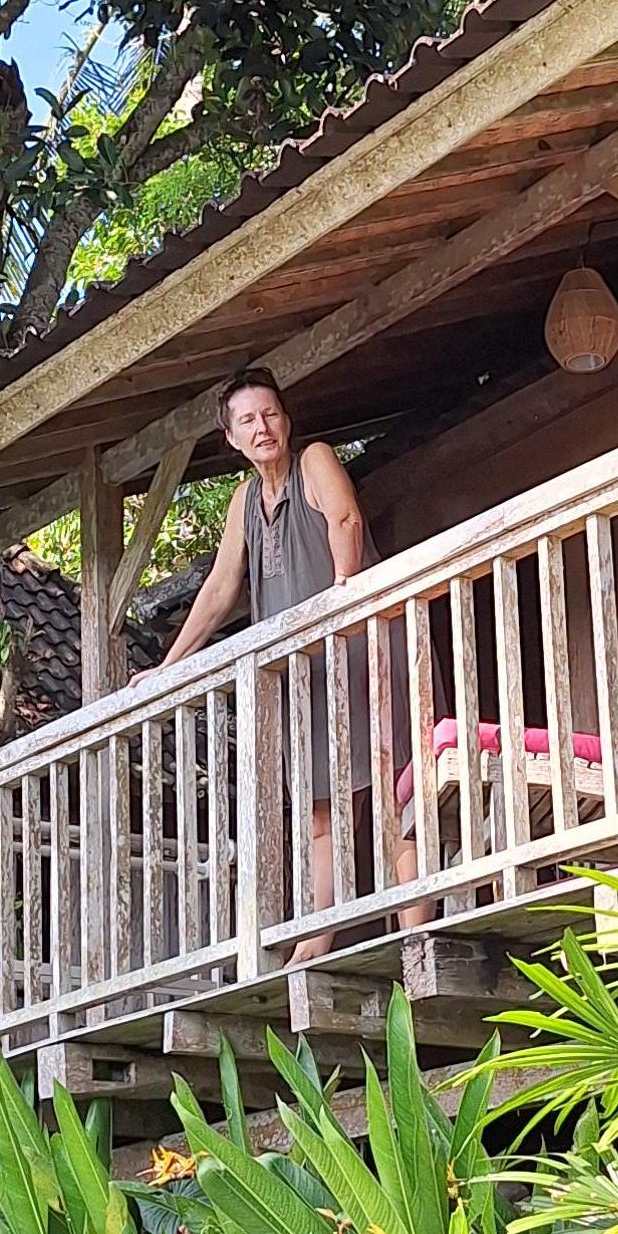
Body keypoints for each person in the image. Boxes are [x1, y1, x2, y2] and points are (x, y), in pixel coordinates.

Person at [167, 368, 376, 954]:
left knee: (388, 795)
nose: (263, 428)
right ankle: (320, 929)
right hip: (304, 674)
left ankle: (413, 933)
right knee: (317, 808)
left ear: (286, 420)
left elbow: (345, 519)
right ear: (231, 439)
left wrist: (342, 587)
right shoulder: (243, 501)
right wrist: (170, 665)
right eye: (248, 421)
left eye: (270, 414)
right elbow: (220, 586)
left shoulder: (315, 460)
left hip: (361, 651)